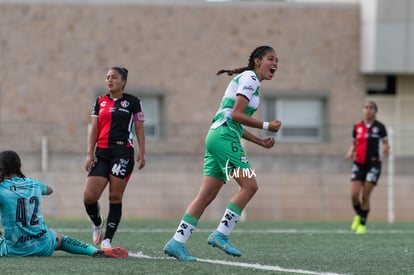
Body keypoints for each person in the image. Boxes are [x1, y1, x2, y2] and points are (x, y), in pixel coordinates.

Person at [163, 45, 281, 261]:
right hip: (224, 137)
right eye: (271, 59)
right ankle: (221, 235)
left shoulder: (250, 81)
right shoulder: (251, 79)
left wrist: (259, 141)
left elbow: (233, 119)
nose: (275, 64)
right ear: (257, 61)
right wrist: (265, 125)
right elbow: (236, 115)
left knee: (207, 195)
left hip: (217, 136)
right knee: (250, 185)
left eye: (277, 61)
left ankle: (176, 243)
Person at [0, 150, 128, 258]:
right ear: (18, 166)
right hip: (43, 245)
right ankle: (94, 251)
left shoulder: (1, 189)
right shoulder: (34, 183)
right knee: (62, 239)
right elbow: (50, 190)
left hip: (15, 250)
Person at [83, 66, 146, 249]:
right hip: (102, 153)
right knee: (89, 196)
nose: (110, 80)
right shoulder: (100, 101)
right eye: (107, 77)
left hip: (122, 153)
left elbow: (139, 127)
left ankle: (107, 240)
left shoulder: (133, 102)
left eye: (114, 77)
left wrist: (142, 152)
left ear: (123, 82)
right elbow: (94, 128)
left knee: (115, 197)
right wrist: (89, 153)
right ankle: (97, 223)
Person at [344, 100, 390, 234]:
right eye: (366, 107)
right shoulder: (357, 126)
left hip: (373, 164)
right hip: (358, 163)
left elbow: (385, 142)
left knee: (365, 195)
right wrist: (350, 152)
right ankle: (359, 214)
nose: (368, 110)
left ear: (375, 111)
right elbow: (354, 142)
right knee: (354, 194)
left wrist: (386, 149)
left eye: (371, 108)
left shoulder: (380, 127)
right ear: (363, 110)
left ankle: (362, 224)